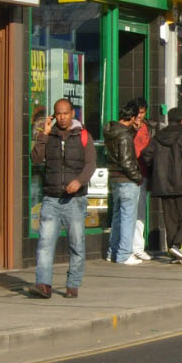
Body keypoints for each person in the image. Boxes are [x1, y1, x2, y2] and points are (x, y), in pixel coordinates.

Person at [29, 99, 96, 298]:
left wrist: (79, 181)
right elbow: (35, 159)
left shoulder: (83, 135)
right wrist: (44, 135)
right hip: (51, 198)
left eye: (65, 113)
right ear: (54, 115)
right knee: (45, 243)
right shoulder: (48, 136)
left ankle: (73, 284)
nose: (62, 117)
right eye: (58, 114)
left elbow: (91, 164)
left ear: (72, 113)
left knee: (76, 243)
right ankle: (43, 284)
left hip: (75, 200)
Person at [141, 106, 182, 263]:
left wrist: (155, 172)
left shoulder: (158, 136)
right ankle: (178, 244)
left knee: (171, 220)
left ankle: (174, 253)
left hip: (163, 185)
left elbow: (146, 155)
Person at [104, 100, 145, 265]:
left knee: (117, 216)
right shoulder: (125, 135)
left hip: (114, 178)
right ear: (133, 116)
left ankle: (112, 251)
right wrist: (138, 178)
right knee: (129, 217)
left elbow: (121, 148)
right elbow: (127, 161)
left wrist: (133, 131)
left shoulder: (111, 130)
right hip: (127, 179)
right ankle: (124, 254)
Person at [129, 99, 153, 261]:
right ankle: (126, 247)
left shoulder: (147, 127)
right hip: (129, 173)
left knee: (139, 211)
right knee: (126, 212)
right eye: (137, 112)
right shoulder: (126, 126)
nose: (139, 116)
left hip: (143, 172)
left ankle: (138, 247)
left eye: (142, 112)